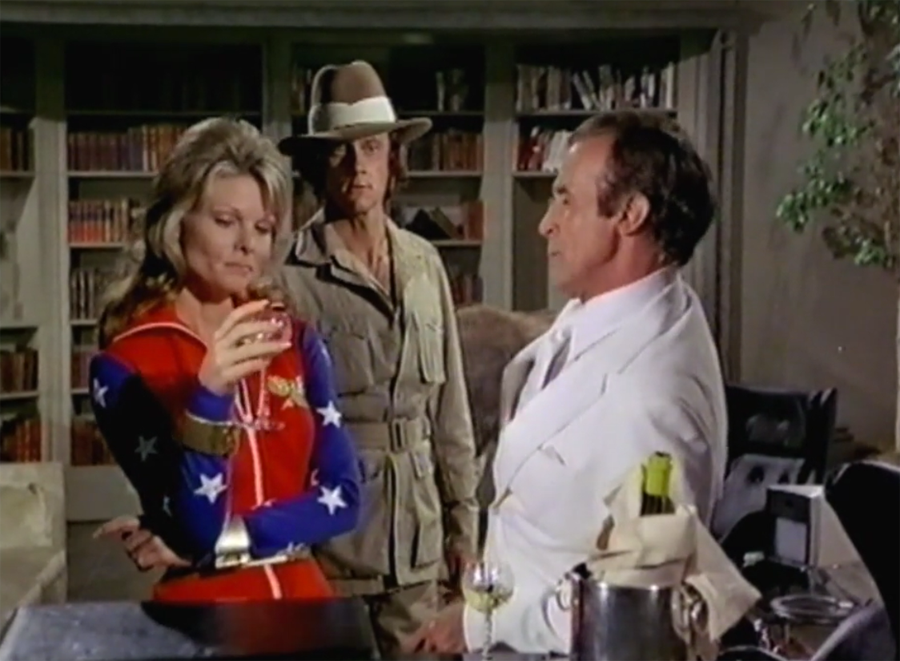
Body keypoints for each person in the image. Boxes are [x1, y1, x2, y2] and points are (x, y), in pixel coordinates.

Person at [406, 110, 728, 655]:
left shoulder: (654, 399)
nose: (546, 224)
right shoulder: (609, 311)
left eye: (566, 200)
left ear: (629, 214)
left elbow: (636, 595)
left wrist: (480, 625)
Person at [90, 117, 361, 602]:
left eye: (262, 228)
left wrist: (226, 544)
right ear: (177, 222)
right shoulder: (125, 366)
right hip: (204, 614)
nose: (246, 244)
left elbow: (344, 501)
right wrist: (209, 397)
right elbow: (197, 524)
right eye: (224, 221)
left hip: (307, 606)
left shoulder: (296, 340)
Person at [276, 60, 479, 653]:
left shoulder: (424, 264)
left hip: (418, 538)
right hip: (332, 540)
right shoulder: (288, 274)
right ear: (318, 164)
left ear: (394, 157)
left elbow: (450, 410)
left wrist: (464, 527)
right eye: (340, 151)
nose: (358, 165)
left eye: (371, 148)